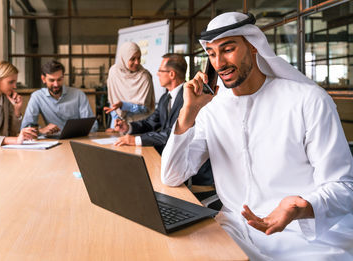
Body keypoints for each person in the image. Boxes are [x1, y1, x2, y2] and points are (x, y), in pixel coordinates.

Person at [161, 12, 353, 260]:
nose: (219, 63)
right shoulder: (212, 109)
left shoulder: (308, 100)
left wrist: (300, 207)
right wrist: (188, 113)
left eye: (228, 49)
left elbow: (343, 187)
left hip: (305, 239)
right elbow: (172, 175)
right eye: (211, 54)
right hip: (235, 232)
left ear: (253, 45)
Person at [115, 53, 214, 187]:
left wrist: (136, 140)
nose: (157, 74)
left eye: (160, 71)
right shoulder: (165, 98)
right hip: (166, 163)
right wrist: (128, 127)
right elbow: (151, 122)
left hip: (187, 172)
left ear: (171, 74)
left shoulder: (190, 98)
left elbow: (171, 134)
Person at [21, 60, 97, 134]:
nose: (56, 84)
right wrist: (41, 131)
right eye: (51, 80)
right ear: (43, 79)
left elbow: (93, 126)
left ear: (63, 77)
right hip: (51, 142)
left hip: (76, 140)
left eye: (59, 79)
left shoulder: (79, 95)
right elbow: (26, 128)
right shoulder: (37, 97)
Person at [104, 42, 155, 130]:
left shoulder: (144, 77)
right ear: (124, 58)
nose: (137, 62)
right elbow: (113, 102)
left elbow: (145, 108)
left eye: (139, 58)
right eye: (132, 59)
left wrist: (124, 105)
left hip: (139, 125)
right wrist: (115, 123)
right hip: (118, 124)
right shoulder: (114, 72)